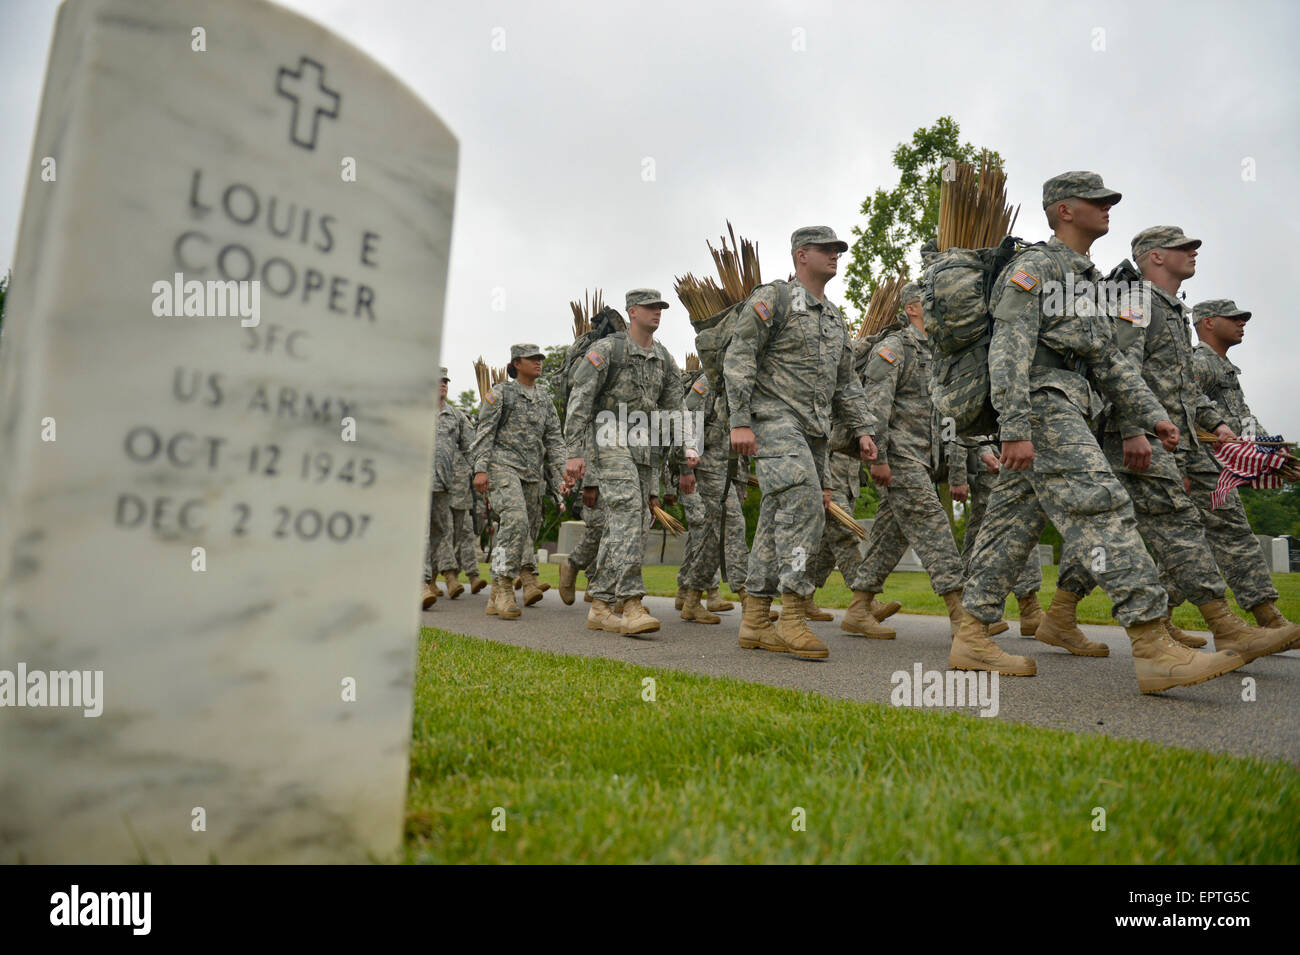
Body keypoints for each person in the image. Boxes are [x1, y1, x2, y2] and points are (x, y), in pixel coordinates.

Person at [953, 171, 1245, 693]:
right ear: (1064, 209)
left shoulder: (1084, 278)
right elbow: (1009, 347)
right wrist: (1015, 425)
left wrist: (1153, 415)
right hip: (1042, 402)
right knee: (1104, 505)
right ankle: (1153, 645)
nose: (1107, 207)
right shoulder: (1036, 266)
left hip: (1070, 400)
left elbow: (1108, 359)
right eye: (1096, 201)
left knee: (1011, 524)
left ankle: (971, 634)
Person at [1050, 226, 1295, 663]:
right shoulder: (1137, 301)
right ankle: (1223, 625)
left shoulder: (1173, 310)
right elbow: (1121, 369)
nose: (1193, 252)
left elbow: (1183, 386)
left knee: (1222, 521)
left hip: (1181, 439)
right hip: (1145, 437)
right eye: (1183, 247)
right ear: (1155, 257)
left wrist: (1217, 425)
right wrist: (1133, 430)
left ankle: (1265, 617)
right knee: (1154, 524)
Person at [724, 226, 878, 660]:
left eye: (837, 250)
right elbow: (740, 356)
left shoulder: (834, 317)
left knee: (777, 515)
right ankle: (792, 613)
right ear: (801, 255)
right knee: (805, 505)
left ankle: (754, 621)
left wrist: (864, 428)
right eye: (826, 250)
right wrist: (739, 421)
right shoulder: (773, 298)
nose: (835, 256)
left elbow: (845, 382)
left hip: (814, 432)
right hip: (772, 419)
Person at [564, 290, 698, 635]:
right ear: (632, 311)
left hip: (644, 448)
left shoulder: (663, 358)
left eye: (661, 308)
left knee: (633, 525)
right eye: (651, 308)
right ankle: (631, 601)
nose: (657, 313)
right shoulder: (607, 350)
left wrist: (686, 449)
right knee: (624, 511)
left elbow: (676, 408)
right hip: (608, 437)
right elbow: (580, 399)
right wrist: (574, 452)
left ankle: (601, 604)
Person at [841, 283, 969, 640]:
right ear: (913, 309)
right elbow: (875, 408)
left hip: (923, 460)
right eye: (933, 304)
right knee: (933, 524)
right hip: (898, 457)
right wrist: (878, 458)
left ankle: (857, 609)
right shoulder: (895, 348)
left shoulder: (939, 352)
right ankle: (962, 616)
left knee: (890, 536)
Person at [1189, 298, 1300, 637]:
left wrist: (1276, 456)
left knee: (1188, 543)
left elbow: (1245, 421)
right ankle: (1268, 616)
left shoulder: (1224, 369)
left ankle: (1160, 617)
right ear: (1208, 322)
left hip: (1218, 470)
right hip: (1200, 466)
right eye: (1233, 318)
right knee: (1234, 535)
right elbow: (1181, 401)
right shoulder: (1200, 364)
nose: (1242, 323)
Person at [471, 345, 570, 618]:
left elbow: (554, 440)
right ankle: (503, 587)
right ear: (517, 363)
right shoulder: (501, 393)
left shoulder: (544, 400)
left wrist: (564, 472)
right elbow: (484, 432)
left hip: (531, 473)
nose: (539, 363)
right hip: (502, 466)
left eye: (540, 359)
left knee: (526, 529)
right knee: (516, 520)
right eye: (533, 359)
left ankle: (495, 595)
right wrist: (480, 469)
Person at [959, 438, 1043, 635]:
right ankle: (973, 611)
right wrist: (958, 477)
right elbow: (959, 429)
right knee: (1013, 529)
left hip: (1006, 461)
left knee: (985, 536)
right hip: (991, 466)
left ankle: (972, 610)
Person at [423, 367, 473, 609]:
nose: (443, 385)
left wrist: (482, 472)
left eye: (445, 382)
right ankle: (421, 584)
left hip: (444, 484)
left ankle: (428, 580)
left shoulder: (455, 416)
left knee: (438, 533)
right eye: (438, 381)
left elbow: (470, 446)